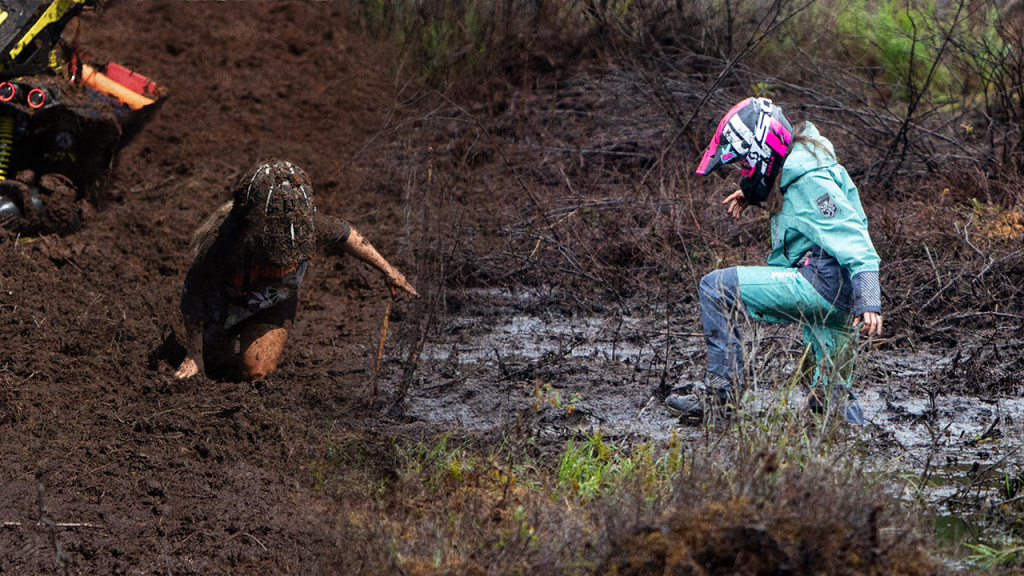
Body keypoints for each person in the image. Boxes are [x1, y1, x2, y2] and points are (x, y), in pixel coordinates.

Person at [666, 97, 883, 425]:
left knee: (715, 287)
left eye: (743, 164)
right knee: (830, 405)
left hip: (823, 286)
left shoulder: (812, 179)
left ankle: (720, 401)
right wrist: (753, 193)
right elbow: (794, 199)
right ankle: (866, 457)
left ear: (762, 150)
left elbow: (850, 231)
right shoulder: (803, 164)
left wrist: (870, 296)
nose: (742, 171)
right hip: (840, 297)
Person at [174, 159, 418, 382]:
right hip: (225, 302)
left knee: (255, 373)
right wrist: (194, 355)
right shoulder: (224, 241)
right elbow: (193, 296)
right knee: (216, 363)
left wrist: (388, 270)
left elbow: (348, 234)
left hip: (272, 301)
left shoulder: (307, 226)